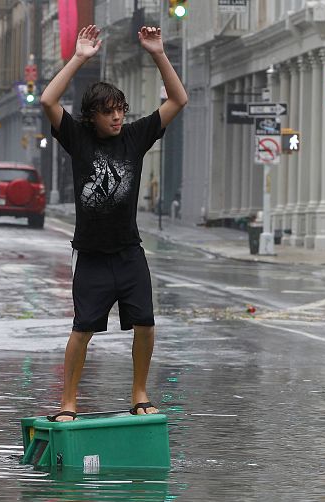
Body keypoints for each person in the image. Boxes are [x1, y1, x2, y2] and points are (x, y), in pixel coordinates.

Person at [40, 25, 188, 421]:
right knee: (82, 329)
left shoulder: (135, 137)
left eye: (120, 109)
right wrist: (79, 57)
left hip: (128, 252)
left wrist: (158, 52)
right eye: (109, 112)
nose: (118, 116)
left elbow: (179, 99)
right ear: (92, 117)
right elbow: (47, 99)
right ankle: (68, 402)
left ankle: (140, 392)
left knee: (145, 323)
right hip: (90, 256)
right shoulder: (78, 137)